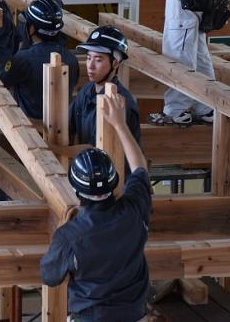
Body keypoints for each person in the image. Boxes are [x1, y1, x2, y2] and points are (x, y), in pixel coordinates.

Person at [41, 92, 151, 322]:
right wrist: (120, 125)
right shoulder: (134, 209)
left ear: (76, 190)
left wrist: (62, 229)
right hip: (134, 315)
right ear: (114, 181)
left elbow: (50, 277)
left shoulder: (69, 235)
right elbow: (140, 168)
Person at [0, 0, 79, 121]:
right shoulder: (71, 58)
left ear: (32, 28)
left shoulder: (24, 59)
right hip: (62, 126)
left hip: (27, 127)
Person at [69, 26, 140, 151]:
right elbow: (66, 124)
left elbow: (98, 151)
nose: (90, 66)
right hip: (88, 161)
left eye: (98, 60)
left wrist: (55, 149)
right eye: (88, 58)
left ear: (115, 63)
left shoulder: (120, 103)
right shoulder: (87, 90)